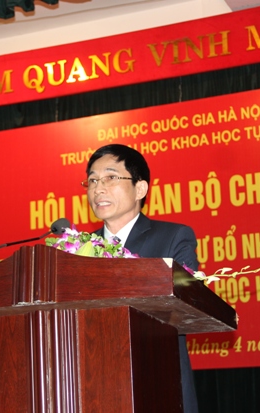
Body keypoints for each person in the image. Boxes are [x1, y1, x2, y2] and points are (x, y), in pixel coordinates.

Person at [84, 144, 199, 413]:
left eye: (110, 177)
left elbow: (187, 303)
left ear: (140, 189)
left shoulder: (174, 237)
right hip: (92, 387)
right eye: (92, 180)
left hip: (157, 383)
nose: (98, 189)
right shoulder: (78, 248)